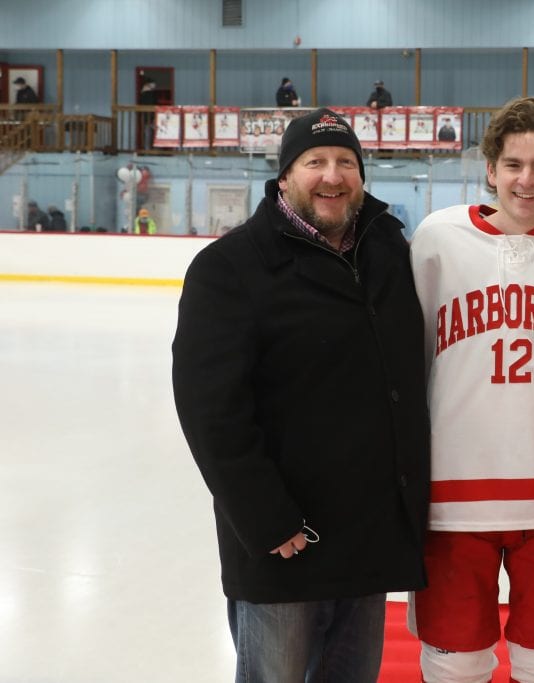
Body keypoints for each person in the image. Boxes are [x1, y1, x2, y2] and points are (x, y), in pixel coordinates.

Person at [171, 107, 430, 683]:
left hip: (367, 533)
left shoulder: (388, 252)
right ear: (285, 175)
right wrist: (265, 518)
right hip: (288, 539)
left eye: (345, 162)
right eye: (315, 161)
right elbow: (211, 411)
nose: (332, 176)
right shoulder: (229, 268)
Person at [408, 96, 534, 682]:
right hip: (451, 497)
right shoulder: (438, 237)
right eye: (514, 165)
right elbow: (405, 356)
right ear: (491, 170)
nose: (527, 180)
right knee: (453, 667)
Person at [138, 78, 158, 149]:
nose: (155, 85)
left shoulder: (143, 93)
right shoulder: (150, 94)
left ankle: (148, 149)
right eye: (153, 83)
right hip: (150, 117)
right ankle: (152, 149)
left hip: (146, 117)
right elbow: (154, 103)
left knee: (148, 134)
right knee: (153, 134)